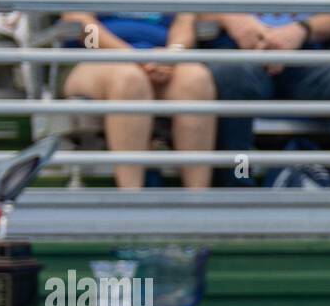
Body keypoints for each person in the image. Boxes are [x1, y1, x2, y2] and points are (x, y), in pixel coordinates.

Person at [200, 12, 330, 187]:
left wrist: (302, 30)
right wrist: (231, 18)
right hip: (238, 56)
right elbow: (190, 14)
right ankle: (236, 195)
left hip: (309, 57)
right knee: (228, 75)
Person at [60, 11, 215, 189]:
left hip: (160, 59)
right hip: (95, 56)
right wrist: (131, 55)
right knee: (130, 79)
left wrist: (172, 55)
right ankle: (131, 198)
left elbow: (184, 20)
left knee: (196, 79)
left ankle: (198, 198)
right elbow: (78, 19)